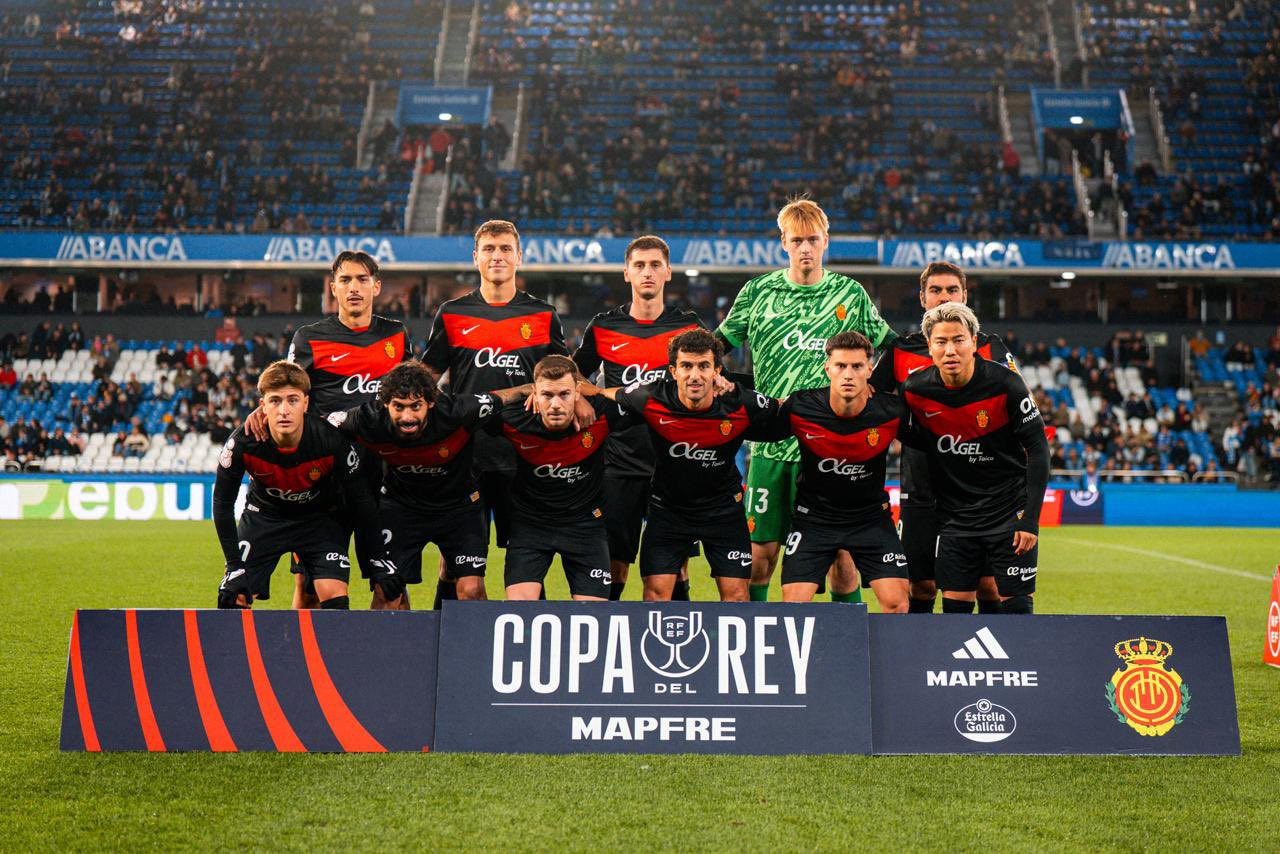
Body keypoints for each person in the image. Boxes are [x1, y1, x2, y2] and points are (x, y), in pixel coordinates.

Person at [716, 199, 897, 602]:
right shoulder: (758, 293)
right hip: (770, 448)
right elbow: (716, 347)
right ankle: (761, 632)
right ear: (783, 242)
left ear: (825, 241)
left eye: (813, 239)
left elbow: (893, 347)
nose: (805, 248)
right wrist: (718, 383)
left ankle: (843, 637)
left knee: (842, 560)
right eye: (797, 240)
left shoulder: (849, 293)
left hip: (831, 448)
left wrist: (875, 390)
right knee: (760, 557)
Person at [423, 220, 574, 607]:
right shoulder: (451, 314)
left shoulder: (543, 316)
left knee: (528, 566)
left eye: (506, 248)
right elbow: (426, 381)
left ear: (519, 256)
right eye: (489, 249)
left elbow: (567, 380)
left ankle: (526, 638)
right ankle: (446, 638)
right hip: (465, 458)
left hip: (524, 459)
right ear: (475, 257)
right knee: (457, 568)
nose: (497, 256)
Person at [250, 251, 412, 610]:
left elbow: (411, 394)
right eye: (345, 280)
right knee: (309, 587)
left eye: (362, 279)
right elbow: (285, 389)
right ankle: (302, 649)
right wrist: (260, 412)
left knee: (390, 584)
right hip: (326, 480)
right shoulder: (310, 338)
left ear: (376, 287)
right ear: (333, 288)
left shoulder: (396, 335)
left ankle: (384, 648)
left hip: (382, 475)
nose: (354, 288)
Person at [868, 260, 1021, 614]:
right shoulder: (901, 350)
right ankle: (923, 650)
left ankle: (984, 649)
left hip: (979, 492)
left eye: (952, 290)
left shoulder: (989, 346)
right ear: (922, 298)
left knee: (987, 584)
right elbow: (871, 403)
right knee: (921, 584)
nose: (944, 297)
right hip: (921, 488)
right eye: (935, 290)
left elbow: (1019, 403)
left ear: (965, 296)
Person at [587, 329, 779, 602]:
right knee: (655, 595)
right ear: (673, 371)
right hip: (668, 511)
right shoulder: (650, 397)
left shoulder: (741, 402)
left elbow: (788, 411)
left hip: (723, 511)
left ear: (717, 371)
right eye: (686, 366)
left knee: (737, 597)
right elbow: (606, 394)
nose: (695, 375)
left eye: (704, 366)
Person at [327, 360, 529, 603]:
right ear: (385, 403)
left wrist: (540, 390)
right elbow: (321, 426)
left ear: (431, 402)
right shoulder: (366, 419)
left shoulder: (459, 411)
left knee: (472, 590)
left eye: (416, 406)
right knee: (387, 592)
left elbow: (507, 395)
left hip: (460, 509)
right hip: (401, 508)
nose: (407, 417)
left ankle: (463, 630)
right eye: (398, 407)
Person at [572, 235, 704, 600]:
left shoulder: (688, 326)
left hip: (674, 461)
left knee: (675, 565)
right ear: (627, 273)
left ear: (668, 273)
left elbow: (708, 377)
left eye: (655, 265)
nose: (648, 272)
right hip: (620, 463)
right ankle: (609, 631)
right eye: (640, 265)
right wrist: (585, 397)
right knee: (615, 562)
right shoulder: (604, 326)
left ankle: (676, 630)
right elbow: (575, 374)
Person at [212, 361, 403, 610]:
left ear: (306, 403)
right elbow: (222, 503)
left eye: (292, 400)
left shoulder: (331, 440)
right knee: (234, 596)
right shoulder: (242, 443)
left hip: (319, 520)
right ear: (263, 406)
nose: (284, 410)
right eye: (275, 401)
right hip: (265, 517)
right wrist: (233, 567)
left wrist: (377, 558)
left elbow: (361, 501)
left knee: (335, 596)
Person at [902, 303, 1050, 614]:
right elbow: (894, 429)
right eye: (941, 342)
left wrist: (1031, 520)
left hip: (1009, 515)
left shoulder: (1006, 384)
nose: (950, 350)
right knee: (955, 612)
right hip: (955, 521)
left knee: (1017, 610)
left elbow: (1038, 449)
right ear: (929, 346)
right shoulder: (915, 391)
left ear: (973, 342)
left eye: (958, 340)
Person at [755, 331, 909, 609]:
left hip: (871, 519)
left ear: (870, 370)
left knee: (897, 603)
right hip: (814, 520)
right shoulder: (801, 407)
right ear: (827, 368)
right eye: (840, 366)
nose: (848, 374)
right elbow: (753, 424)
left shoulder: (891, 411)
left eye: (857, 366)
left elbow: (932, 439)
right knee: (793, 607)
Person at [491, 356, 628, 601]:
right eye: (547, 395)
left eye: (564, 394)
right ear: (535, 394)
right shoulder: (513, 417)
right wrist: (521, 390)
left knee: (593, 615)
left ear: (578, 393)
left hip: (586, 526)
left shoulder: (602, 412)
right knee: (519, 608)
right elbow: (467, 406)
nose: (555, 404)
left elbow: (647, 397)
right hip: (530, 526)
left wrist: (595, 392)